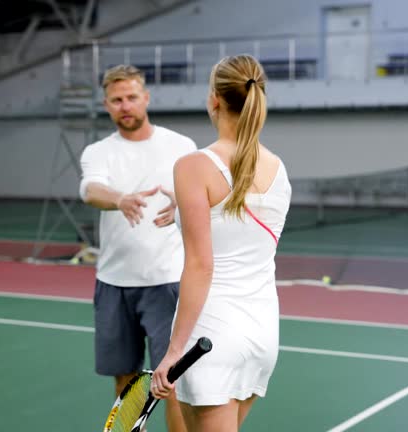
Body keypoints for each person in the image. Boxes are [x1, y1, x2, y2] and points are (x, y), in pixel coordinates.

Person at [151, 54, 291, 431]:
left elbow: (201, 265)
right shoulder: (278, 169)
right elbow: (239, 222)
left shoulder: (192, 166)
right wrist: (183, 204)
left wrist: (174, 352)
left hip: (210, 339)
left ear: (214, 98)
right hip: (262, 335)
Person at [79, 64, 196, 432]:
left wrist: (184, 206)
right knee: (127, 384)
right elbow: (91, 190)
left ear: (145, 98)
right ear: (106, 105)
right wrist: (121, 199)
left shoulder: (181, 146)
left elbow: (200, 197)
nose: (125, 105)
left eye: (131, 97)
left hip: (167, 283)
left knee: (172, 385)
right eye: (116, 100)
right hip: (115, 283)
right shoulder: (97, 152)